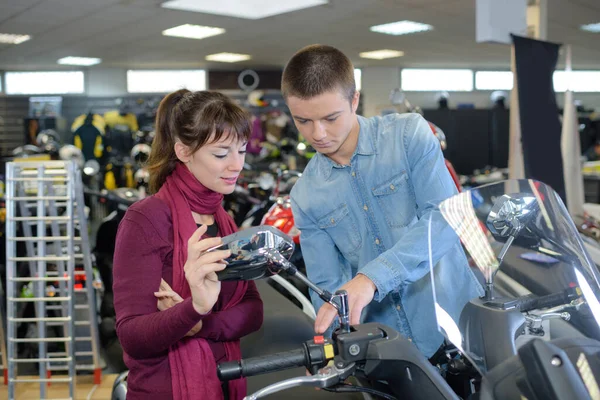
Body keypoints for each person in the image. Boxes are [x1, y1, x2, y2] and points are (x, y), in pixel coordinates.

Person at [284, 44, 483, 359]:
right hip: (388, 353)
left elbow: (446, 218)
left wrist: (371, 277)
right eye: (303, 121)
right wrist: (332, 342)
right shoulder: (305, 194)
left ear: (355, 99)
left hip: (462, 330)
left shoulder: (408, 136)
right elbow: (327, 286)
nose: (317, 133)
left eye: (330, 118)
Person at [113, 89, 264, 400]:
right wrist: (193, 308)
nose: (236, 165)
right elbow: (132, 336)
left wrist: (198, 321)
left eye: (242, 151)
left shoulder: (222, 218)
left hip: (225, 383)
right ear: (183, 151)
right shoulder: (146, 219)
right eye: (221, 154)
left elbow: (253, 311)